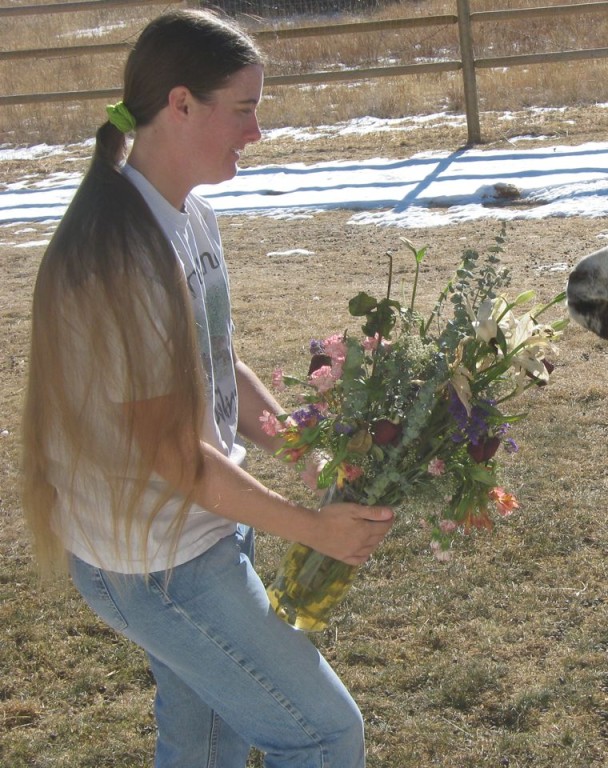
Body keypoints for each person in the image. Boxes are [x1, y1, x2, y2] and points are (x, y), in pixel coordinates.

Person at [20, 9, 394, 767]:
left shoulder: (188, 213)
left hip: (194, 532)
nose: (257, 132)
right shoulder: (122, 254)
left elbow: (217, 364)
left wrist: (299, 442)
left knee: (205, 743)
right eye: (246, 108)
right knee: (326, 734)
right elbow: (172, 453)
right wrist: (313, 527)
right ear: (182, 103)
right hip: (160, 561)